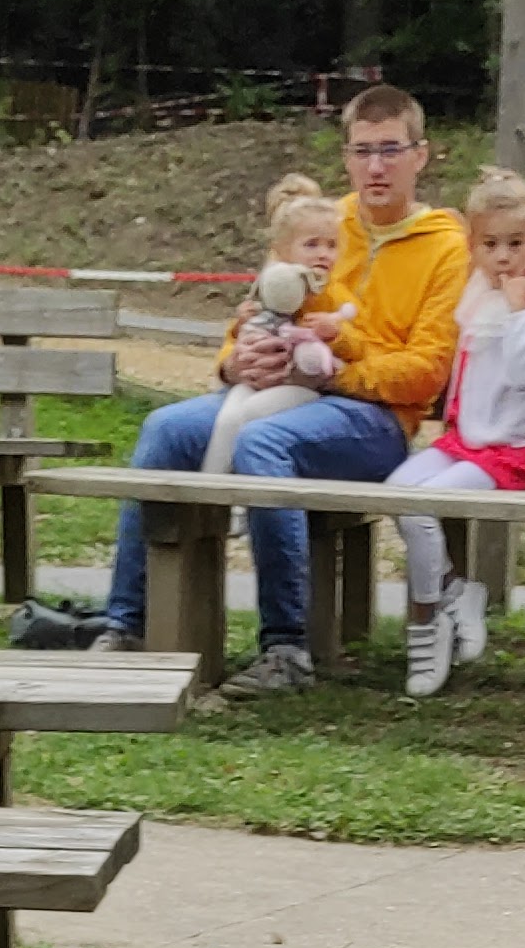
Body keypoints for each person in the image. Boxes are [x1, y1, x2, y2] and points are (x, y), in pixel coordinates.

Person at [94, 88, 468, 694]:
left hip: (373, 421)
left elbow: (427, 370)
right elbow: (258, 308)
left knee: (265, 444)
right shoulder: (320, 223)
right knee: (166, 428)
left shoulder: (447, 247)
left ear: (420, 156)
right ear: (346, 157)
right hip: (281, 393)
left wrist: (332, 373)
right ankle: (127, 623)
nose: (376, 167)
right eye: (363, 151)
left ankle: (285, 648)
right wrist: (234, 364)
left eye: (391, 150)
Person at [377, 169, 525, 695]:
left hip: (511, 450)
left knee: (425, 503)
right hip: (467, 439)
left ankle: (428, 622)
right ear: (472, 246)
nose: (503, 257)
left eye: (515, 244)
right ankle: (457, 591)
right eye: (490, 244)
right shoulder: (477, 293)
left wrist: (521, 313)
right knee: (396, 492)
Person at [202, 175, 344, 473]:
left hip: (308, 386)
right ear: (282, 251)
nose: (323, 254)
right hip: (259, 378)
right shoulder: (272, 285)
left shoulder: (334, 292)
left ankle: (243, 503)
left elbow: (357, 337)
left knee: (253, 415)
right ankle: (210, 494)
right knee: (227, 418)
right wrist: (243, 323)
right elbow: (244, 335)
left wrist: (336, 333)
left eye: (331, 246)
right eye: (312, 244)